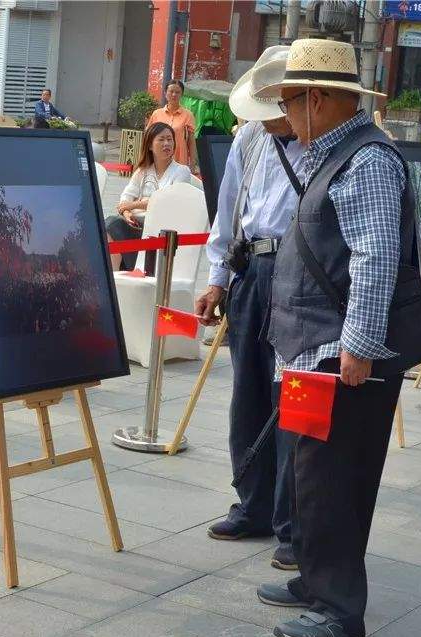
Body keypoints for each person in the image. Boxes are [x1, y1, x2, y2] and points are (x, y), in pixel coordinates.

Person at [258, 38, 420, 637]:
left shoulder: (368, 160)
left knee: (336, 480)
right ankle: (313, 576)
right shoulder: (335, 152)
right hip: (311, 351)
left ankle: (338, 608)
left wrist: (358, 344)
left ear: (318, 100)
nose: (284, 115)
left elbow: (375, 258)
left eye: (290, 102)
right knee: (308, 472)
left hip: (338, 354)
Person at [196, 46, 304, 572]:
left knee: (292, 401)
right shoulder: (250, 138)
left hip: (300, 278)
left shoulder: (324, 144)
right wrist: (217, 280)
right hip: (251, 273)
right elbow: (228, 211)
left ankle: (291, 522)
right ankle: (253, 504)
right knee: (249, 396)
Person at [104, 121, 192, 270]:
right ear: (150, 145)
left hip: (161, 229)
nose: (167, 144)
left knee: (113, 224)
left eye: (170, 139)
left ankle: (115, 276)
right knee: (111, 225)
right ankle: (114, 275)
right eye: (161, 139)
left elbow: (166, 201)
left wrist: (134, 205)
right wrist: (126, 213)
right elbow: (125, 197)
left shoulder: (181, 171)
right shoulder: (143, 171)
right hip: (137, 224)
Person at [148, 79, 199, 174]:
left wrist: (192, 163)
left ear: (182, 94)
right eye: (171, 91)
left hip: (179, 160)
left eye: (177, 92)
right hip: (158, 159)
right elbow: (148, 137)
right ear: (165, 93)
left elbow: (191, 141)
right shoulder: (156, 114)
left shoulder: (188, 115)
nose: (174, 95)